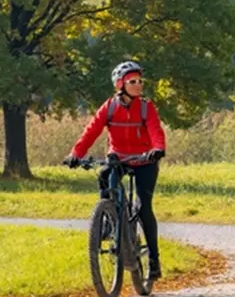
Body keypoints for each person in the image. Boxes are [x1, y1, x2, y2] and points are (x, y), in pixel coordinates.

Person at [65, 61, 168, 281]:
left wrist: (157, 149)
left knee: (143, 207)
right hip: (119, 157)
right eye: (133, 81)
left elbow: (155, 130)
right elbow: (91, 131)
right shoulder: (109, 107)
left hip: (144, 160)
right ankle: (108, 218)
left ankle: (154, 260)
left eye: (140, 81)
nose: (139, 85)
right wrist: (76, 154)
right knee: (104, 175)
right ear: (121, 84)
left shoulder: (145, 107)